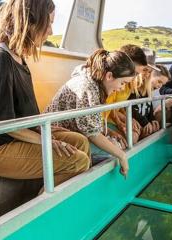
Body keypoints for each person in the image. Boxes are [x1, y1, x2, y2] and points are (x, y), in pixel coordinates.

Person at [0, 0, 91, 187]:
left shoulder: (18, 57)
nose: (50, 31)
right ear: (30, 21)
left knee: (79, 141)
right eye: (48, 23)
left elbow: (23, 112)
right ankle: (46, 211)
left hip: (14, 137)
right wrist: (45, 141)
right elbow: (3, 123)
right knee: (78, 160)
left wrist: (46, 130)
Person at [46, 49, 136, 177]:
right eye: (122, 83)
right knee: (110, 154)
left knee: (115, 146)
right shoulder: (87, 88)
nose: (121, 88)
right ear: (109, 76)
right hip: (55, 136)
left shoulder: (94, 82)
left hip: (74, 134)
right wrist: (121, 156)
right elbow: (92, 133)